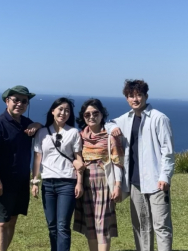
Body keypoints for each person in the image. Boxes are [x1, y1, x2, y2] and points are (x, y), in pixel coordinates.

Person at [106, 79, 175, 251]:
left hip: (156, 181)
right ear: (127, 98)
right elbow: (108, 123)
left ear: (146, 96)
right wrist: (112, 129)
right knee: (141, 226)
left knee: (161, 226)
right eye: (131, 96)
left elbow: (167, 151)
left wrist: (165, 176)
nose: (135, 99)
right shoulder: (126, 118)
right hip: (135, 182)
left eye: (138, 95)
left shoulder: (159, 118)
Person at [0, 85, 42, 251]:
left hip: (21, 182)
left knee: (12, 220)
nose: (20, 104)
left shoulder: (26, 123)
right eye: (16, 100)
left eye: (24, 101)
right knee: (1, 223)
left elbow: (43, 129)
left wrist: (37, 125)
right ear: (7, 101)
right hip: (2, 182)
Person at [31, 97, 84, 251]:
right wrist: (35, 182)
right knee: (52, 226)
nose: (63, 113)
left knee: (62, 226)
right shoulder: (42, 133)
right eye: (60, 109)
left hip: (67, 183)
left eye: (67, 110)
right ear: (53, 111)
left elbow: (78, 160)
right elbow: (37, 159)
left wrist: (79, 182)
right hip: (47, 184)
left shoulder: (73, 132)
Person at [73, 98, 124, 251]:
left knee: (103, 224)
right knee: (90, 224)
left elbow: (117, 162)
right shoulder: (80, 136)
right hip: (85, 184)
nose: (91, 117)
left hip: (104, 183)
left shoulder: (110, 136)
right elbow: (75, 158)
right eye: (87, 114)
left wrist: (117, 186)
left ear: (102, 114)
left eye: (95, 113)